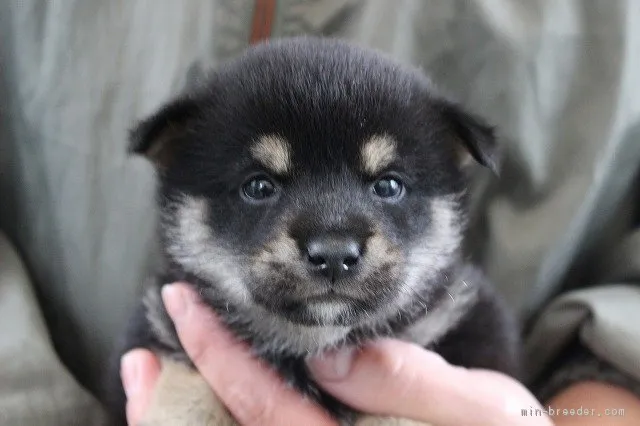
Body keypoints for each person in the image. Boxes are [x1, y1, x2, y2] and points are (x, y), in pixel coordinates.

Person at [2, 1, 640, 425]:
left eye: (389, 185)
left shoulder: (469, 330)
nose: (334, 246)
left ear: (455, 177)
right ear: (173, 178)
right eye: (259, 186)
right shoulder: (170, 332)